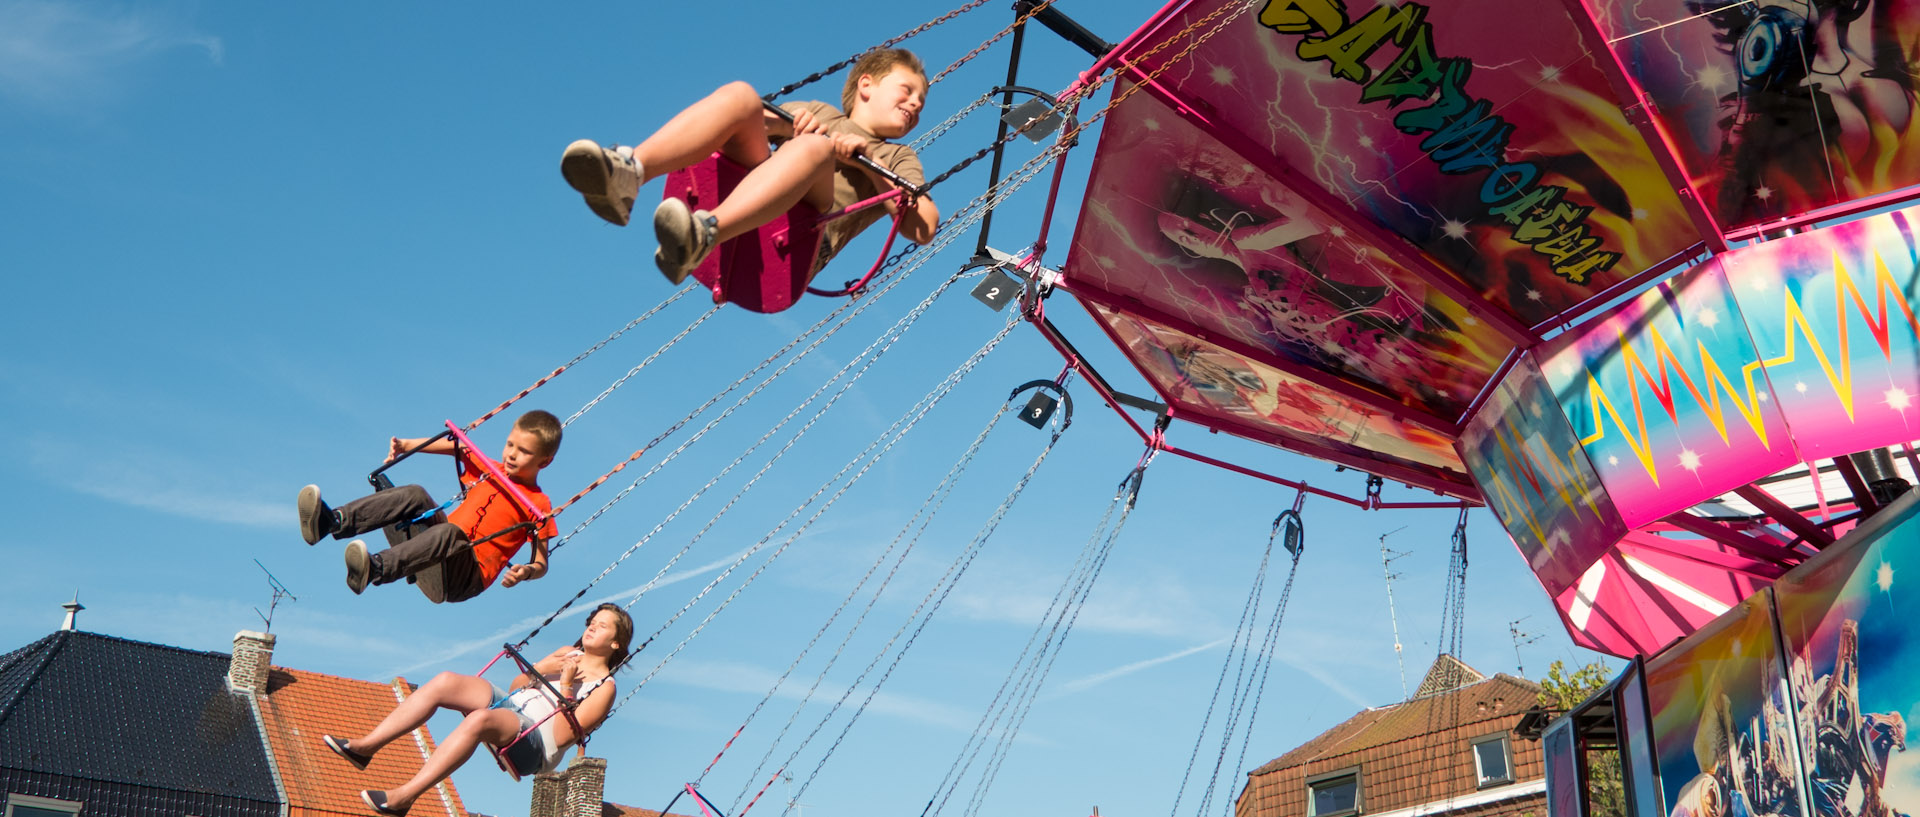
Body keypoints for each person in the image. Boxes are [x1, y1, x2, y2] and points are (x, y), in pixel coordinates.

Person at [559, 48, 941, 285]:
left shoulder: (898, 158)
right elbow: (742, 128)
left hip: (796, 246)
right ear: (867, 85)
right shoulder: (820, 113)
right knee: (743, 96)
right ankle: (631, 172)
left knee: (815, 151)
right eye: (907, 91)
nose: (915, 104)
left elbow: (924, 227)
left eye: (921, 104)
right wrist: (786, 126)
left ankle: (705, 234)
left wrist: (870, 163)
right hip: (752, 202)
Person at [320, 604, 634, 816]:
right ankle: (365, 747)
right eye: (591, 622)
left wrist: (565, 686)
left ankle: (404, 797)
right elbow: (515, 688)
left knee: (482, 718)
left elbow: (564, 735)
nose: (592, 627)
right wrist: (542, 667)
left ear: (616, 643)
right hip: (513, 710)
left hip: (537, 743)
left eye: (602, 626)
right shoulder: (568, 652)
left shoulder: (605, 687)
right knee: (445, 681)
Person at [295, 409, 562, 603]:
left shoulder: (538, 503)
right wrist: (407, 445)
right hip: (433, 551)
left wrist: (525, 572)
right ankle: (331, 522)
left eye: (524, 451)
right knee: (416, 493)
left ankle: (376, 568)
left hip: (462, 577)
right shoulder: (491, 469)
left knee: (451, 533)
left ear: (544, 462)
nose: (512, 454)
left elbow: (541, 562)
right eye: (510, 444)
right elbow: (454, 446)